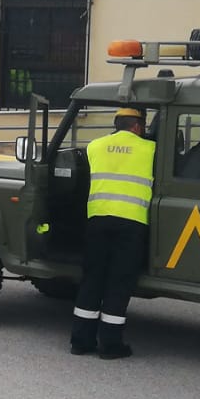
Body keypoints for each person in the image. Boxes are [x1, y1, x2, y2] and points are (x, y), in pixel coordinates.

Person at [74, 107, 155, 360]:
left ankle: (80, 341)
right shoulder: (150, 149)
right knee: (119, 282)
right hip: (131, 223)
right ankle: (110, 345)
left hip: (98, 219)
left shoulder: (94, 146)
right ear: (137, 127)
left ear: (117, 124)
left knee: (92, 279)